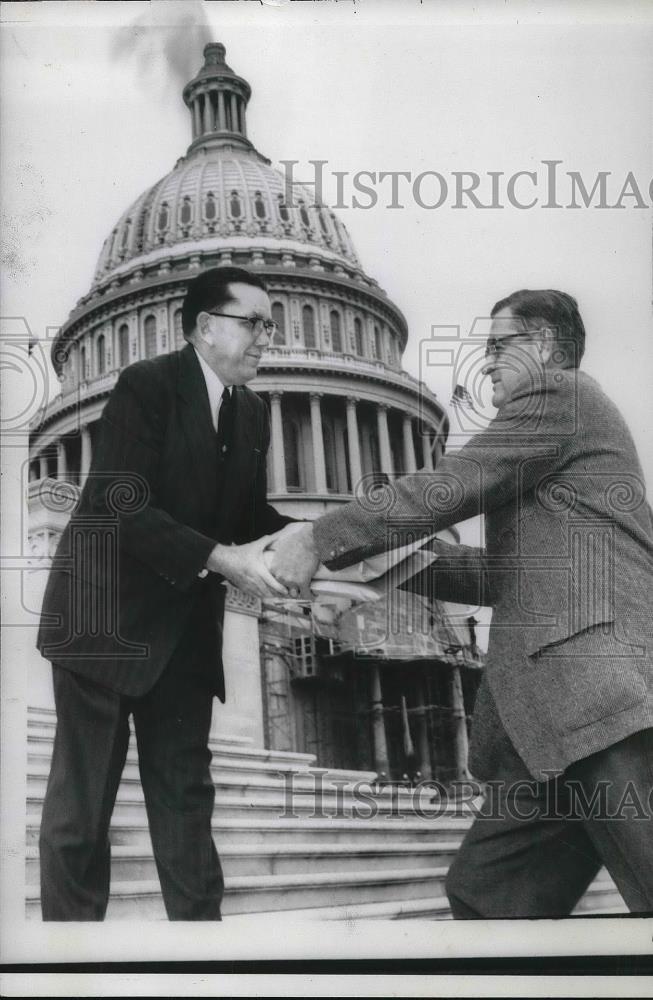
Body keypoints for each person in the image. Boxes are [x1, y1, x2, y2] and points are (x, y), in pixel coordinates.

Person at [270, 289, 653, 917]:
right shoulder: (563, 431)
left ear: (545, 348)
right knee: (487, 895)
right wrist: (368, 561)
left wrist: (320, 536)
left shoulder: (563, 395)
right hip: (551, 730)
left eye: (499, 346)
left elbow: (454, 484)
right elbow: (496, 575)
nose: (487, 362)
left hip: (597, 705)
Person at [37, 266, 296, 920]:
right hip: (103, 622)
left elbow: (244, 517)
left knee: (187, 809)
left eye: (271, 323)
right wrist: (222, 560)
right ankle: (71, 968)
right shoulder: (147, 385)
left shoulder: (254, 412)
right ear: (205, 328)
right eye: (254, 322)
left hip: (181, 632)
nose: (268, 336)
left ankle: (201, 965)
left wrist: (323, 549)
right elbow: (120, 502)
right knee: (81, 817)